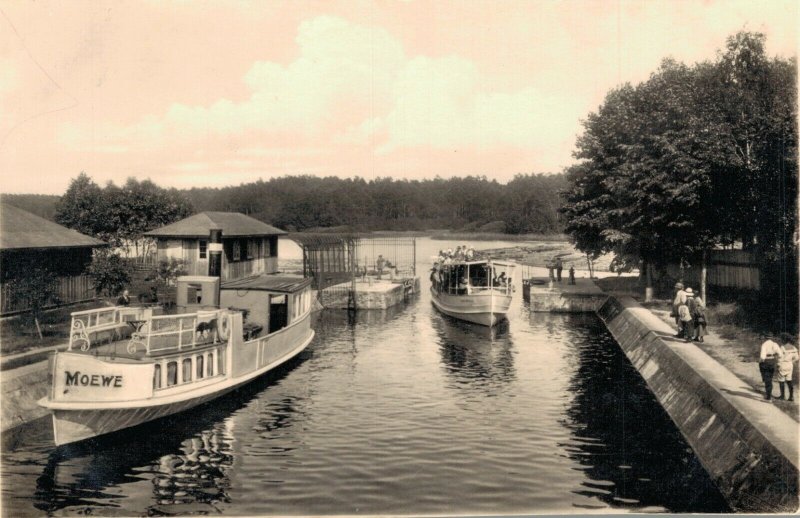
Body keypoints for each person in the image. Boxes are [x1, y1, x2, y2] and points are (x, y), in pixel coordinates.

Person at [759, 336, 784, 400]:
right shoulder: (774, 344)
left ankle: (768, 396)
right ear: (771, 338)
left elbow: (762, 356)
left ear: (765, 338)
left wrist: (761, 361)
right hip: (772, 360)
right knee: (770, 377)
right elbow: (780, 354)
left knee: (767, 379)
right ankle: (768, 393)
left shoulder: (764, 344)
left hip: (766, 360)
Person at [776, 333, 798, 401]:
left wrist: (778, 364)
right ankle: (791, 396)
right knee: (789, 380)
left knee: (781, 380)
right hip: (790, 364)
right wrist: (792, 361)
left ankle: (782, 396)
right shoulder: (794, 347)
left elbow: (780, 357)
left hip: (783, 364)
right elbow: (797, 358)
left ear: (783, 340)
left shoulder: (782, 347)